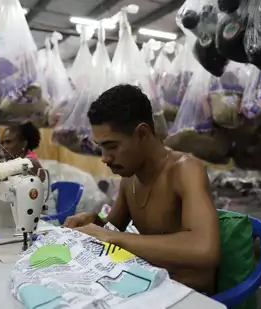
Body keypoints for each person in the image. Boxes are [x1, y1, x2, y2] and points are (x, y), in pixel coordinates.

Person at [63, 84, 221, 294]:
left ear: (142, 133)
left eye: (112, 146)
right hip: (149, 287)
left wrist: (111, 237)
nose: (104, 157)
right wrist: (94, 222)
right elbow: (113, 229)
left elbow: (205, 250)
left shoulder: (185, 170)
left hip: (189, 297)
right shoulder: (131, 177)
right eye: (101, 147)